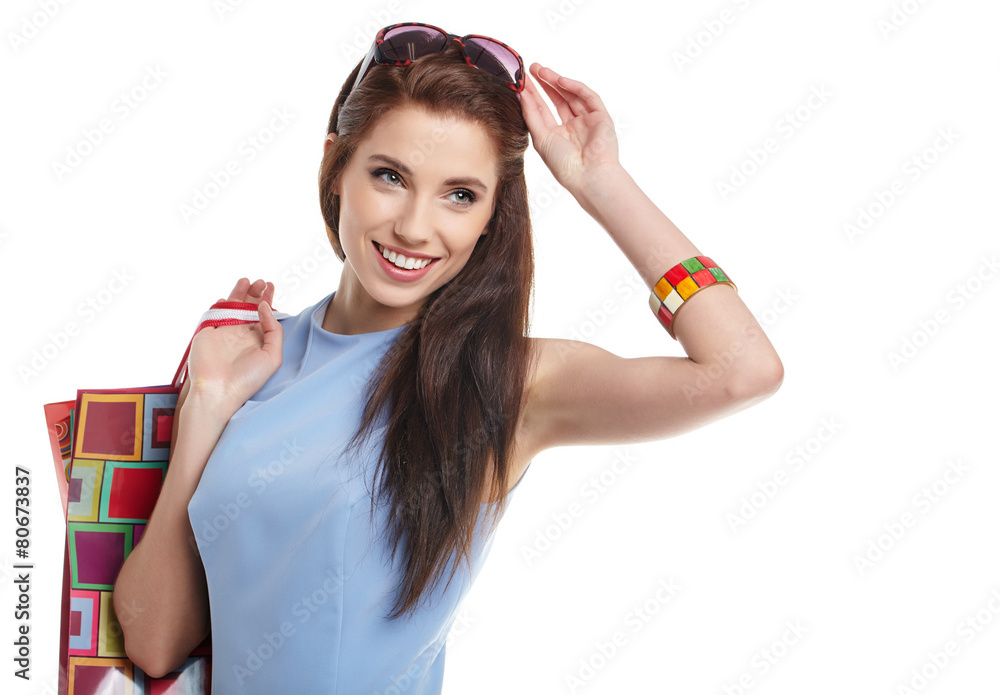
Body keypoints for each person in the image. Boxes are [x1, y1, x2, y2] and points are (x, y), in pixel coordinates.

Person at [114, 22, 783, 693]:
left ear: (492, 214)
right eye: (389, 176)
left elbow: (741, 369)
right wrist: (205, 407)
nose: (413, 226)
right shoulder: (250, 364)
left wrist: (598, 182)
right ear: (336, 166)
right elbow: (154, 640)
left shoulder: (506, 383)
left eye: (460, 194)